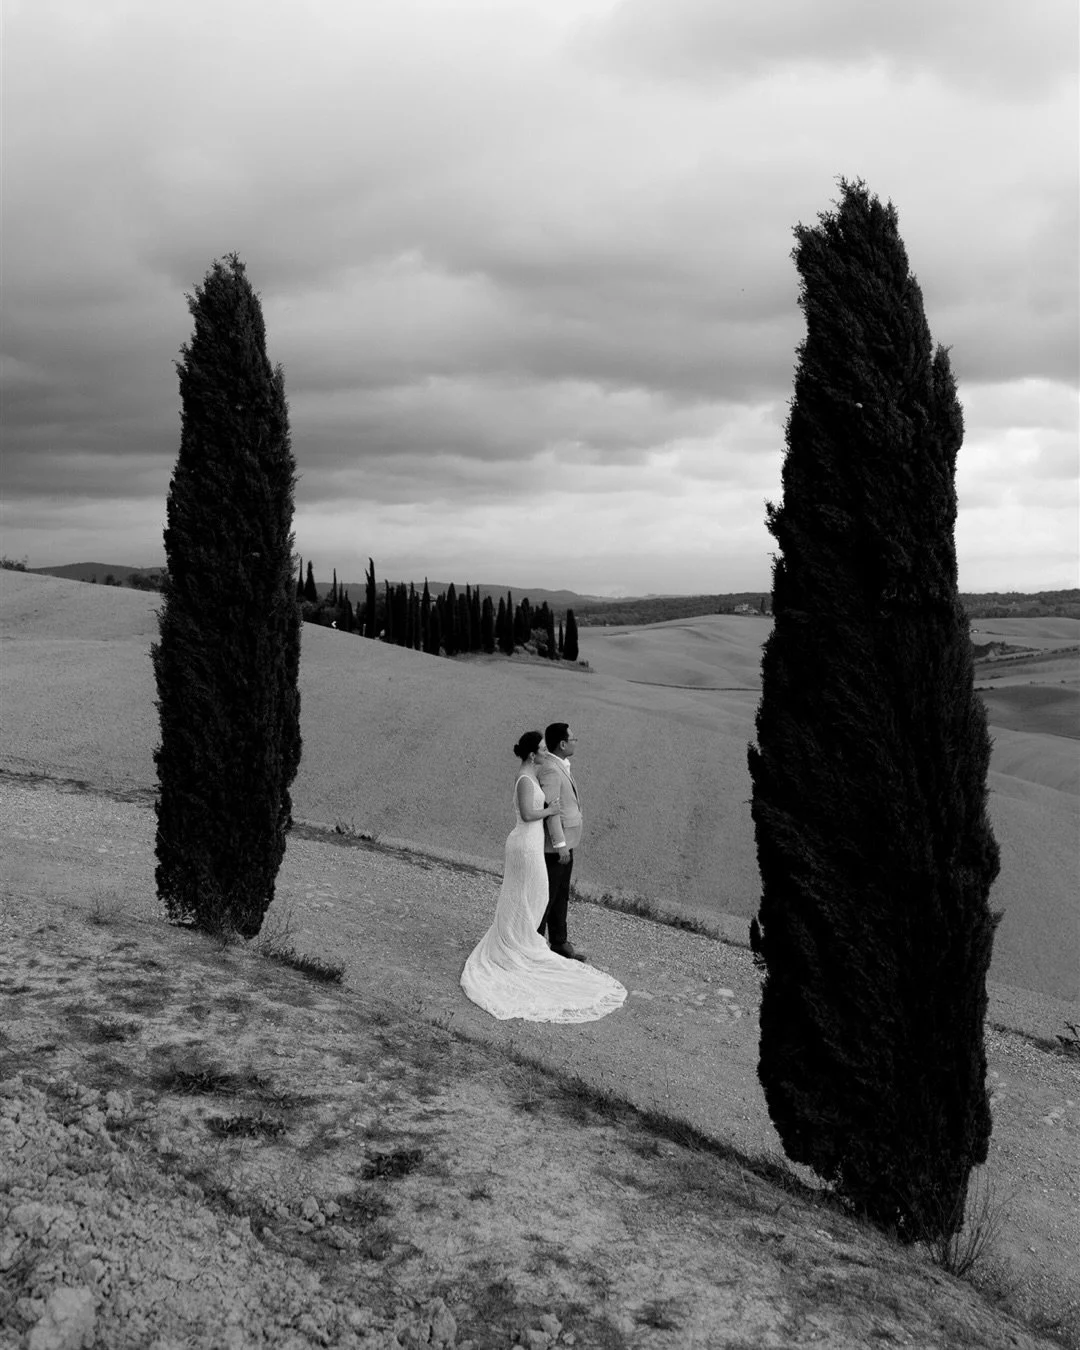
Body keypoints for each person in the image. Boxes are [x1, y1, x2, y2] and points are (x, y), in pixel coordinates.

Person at [460, 731, 626, 1023]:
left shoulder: (531, 774)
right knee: (531, 895)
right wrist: (550, 809)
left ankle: (522, 939)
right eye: (539, 749)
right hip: (525, 845)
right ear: (531, 754)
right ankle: (520, 942)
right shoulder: (525, 779)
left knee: (532, 895)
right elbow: (526, 813)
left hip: (532, 844)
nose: (543, 752)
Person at [536, 722, 585, 961]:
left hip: (568, 843)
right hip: (558, 846)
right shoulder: (551, 769)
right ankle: (534, 942)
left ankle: (559, 941)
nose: (576, 741)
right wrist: (559, 844)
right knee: (548, 895)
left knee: (561, 893)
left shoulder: (560, 766)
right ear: (562, 743)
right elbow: (551, 808)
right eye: (573, 738)